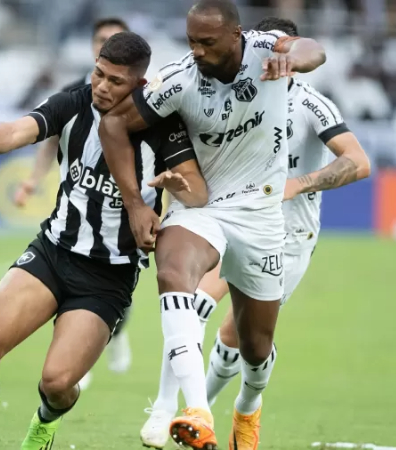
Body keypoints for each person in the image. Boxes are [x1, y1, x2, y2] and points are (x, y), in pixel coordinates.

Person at [0, 32, 207, 450]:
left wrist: (178, 184)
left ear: (139, 85)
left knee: (57, 384)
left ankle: (45, 422)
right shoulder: (72, 103)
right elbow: (14, 132)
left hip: (106, 277)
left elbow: (198, 193)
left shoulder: (163, 124)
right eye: (98, 73)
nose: (101, 86)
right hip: (53, 252)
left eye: (115, 81)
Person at [98, 1, 327, 448]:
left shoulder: (266, 50)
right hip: (203, 207)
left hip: (261, 217)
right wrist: (136, 205)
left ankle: (247, 406)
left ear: (236, 35)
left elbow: (313, 49)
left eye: (207, 42)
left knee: (255, 347)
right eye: (191, 41)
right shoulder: (179, 81)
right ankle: (196, 410)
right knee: (173, 273)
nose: (197, 51)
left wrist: (293, 60)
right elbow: (113, 125)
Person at [139, 16, 371, 449]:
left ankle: (246, 406)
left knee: (243, 344)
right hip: (227, 217)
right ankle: (177, 411)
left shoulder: (310, 104)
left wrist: (296, 185)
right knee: (193, 302)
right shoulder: (225, 90)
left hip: (287, 234)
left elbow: (359, 162)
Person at [14, 17, 132, 390]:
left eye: (115, 39)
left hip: (122, 215)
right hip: (75, 210)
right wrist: (33, 180)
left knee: (114, 275)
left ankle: (112, 334)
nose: (106, 45)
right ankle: (74, 352)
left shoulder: (145, 101)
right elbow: (49, 138)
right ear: (93, 47)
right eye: (101, 40)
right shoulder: (73, 94)